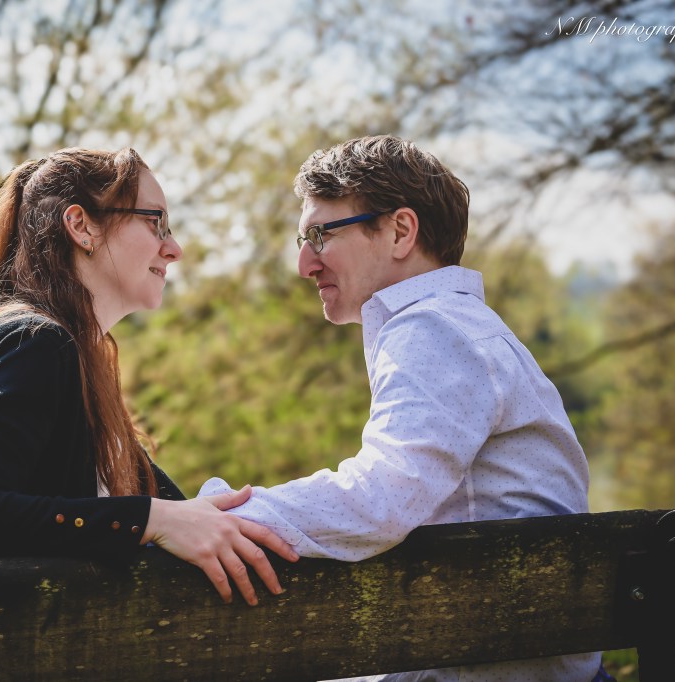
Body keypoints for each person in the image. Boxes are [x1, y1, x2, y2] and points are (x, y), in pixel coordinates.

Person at [200, 135, 604, 678]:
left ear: (399, 232)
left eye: (321, 234)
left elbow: (382, 498)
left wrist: (219, 516)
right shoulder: (459, 325)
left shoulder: (432, 329)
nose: (304, 264)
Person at [0, 147, 298, 607]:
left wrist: (190, 517)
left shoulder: (73, 366)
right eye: (156, 222)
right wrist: (150, 520)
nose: (174, 249)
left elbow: (175, 515)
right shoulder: (31, 343)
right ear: (82, 227)